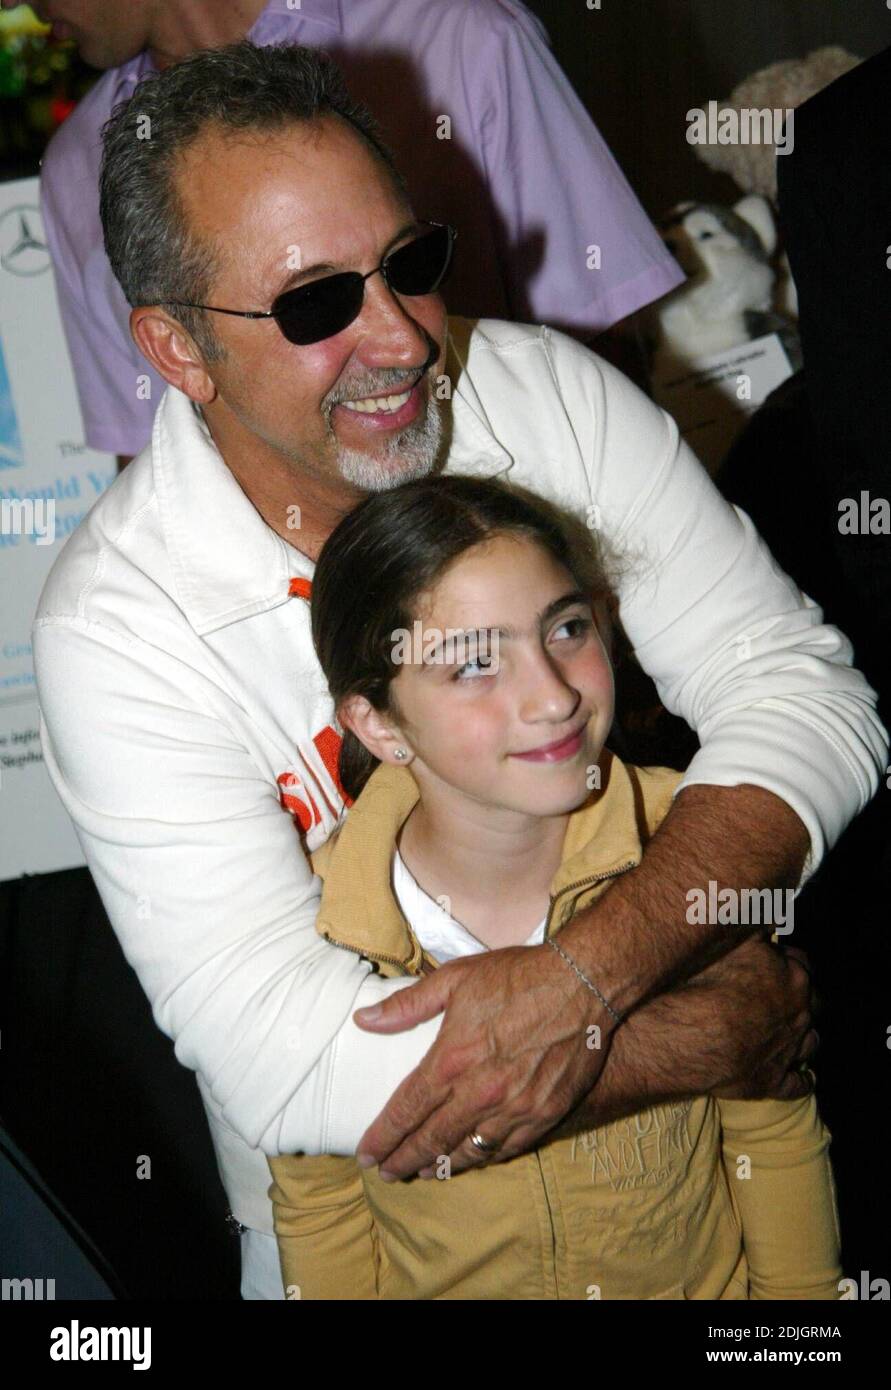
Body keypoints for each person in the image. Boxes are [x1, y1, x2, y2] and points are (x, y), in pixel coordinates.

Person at [30, 42, 885, 1300]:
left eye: (411, 264)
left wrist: (593, 976)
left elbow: (807, 696)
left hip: (691, 1223)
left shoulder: (543, 399)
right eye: (316, 304)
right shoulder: (118, 627)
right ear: (176, 350)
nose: (402, 339)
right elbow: (285, 1056)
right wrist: (689, 1039)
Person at [267, 473, 842, 1301]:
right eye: (472, 664)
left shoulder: (686, 844)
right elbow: (318, 1208)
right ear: (378, 724)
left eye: (566, 629)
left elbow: (772, 1114)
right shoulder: (319, 924)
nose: (553, 695)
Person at [23, 0, 683, 462]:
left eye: (412, 261)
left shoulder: (464, 38)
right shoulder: (84, 162)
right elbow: (147, 447)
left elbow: (604, 349)